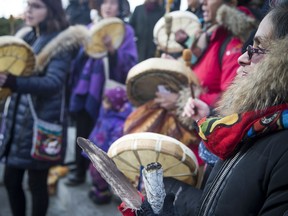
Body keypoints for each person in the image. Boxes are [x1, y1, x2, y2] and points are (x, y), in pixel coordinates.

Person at [119, 1, 288, 215]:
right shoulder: (207, 35)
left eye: (257, 49)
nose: (242, 58)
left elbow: (228, 89)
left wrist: (182, 99)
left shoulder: (232, 40)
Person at [0, 0, 72, 215]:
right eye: (28, 4)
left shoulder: (60, 42)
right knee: (11, 180)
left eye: (37, 6)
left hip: (42, 123)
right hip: (19, 121)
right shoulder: (28, 36)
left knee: (37, 184)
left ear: (51, 10)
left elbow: (53, 84)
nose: (29, 10)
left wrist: (14, 83)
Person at [66, 0, 138, 186]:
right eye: (104, 2)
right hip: (85, 87)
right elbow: (80, 58)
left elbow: (130, 64)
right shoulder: (91, 27)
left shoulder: (125, 30)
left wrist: (112, 50)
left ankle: (100, 180)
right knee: (82, 129)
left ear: (119, 7)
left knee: (100, 135)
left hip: (108, 93)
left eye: (113, 3)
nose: (108, 6)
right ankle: (79, 169)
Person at [87, 86, 133, 204]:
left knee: (100, 175)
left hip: (105, 155)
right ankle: (97, 188)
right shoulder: (106, 112)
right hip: (96, 149)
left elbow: (115, 142)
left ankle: (103, 194)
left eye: (108, 101)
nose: (104, 103)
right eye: (104, 100)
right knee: (93, 172)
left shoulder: (119, 123)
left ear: (116, 104)